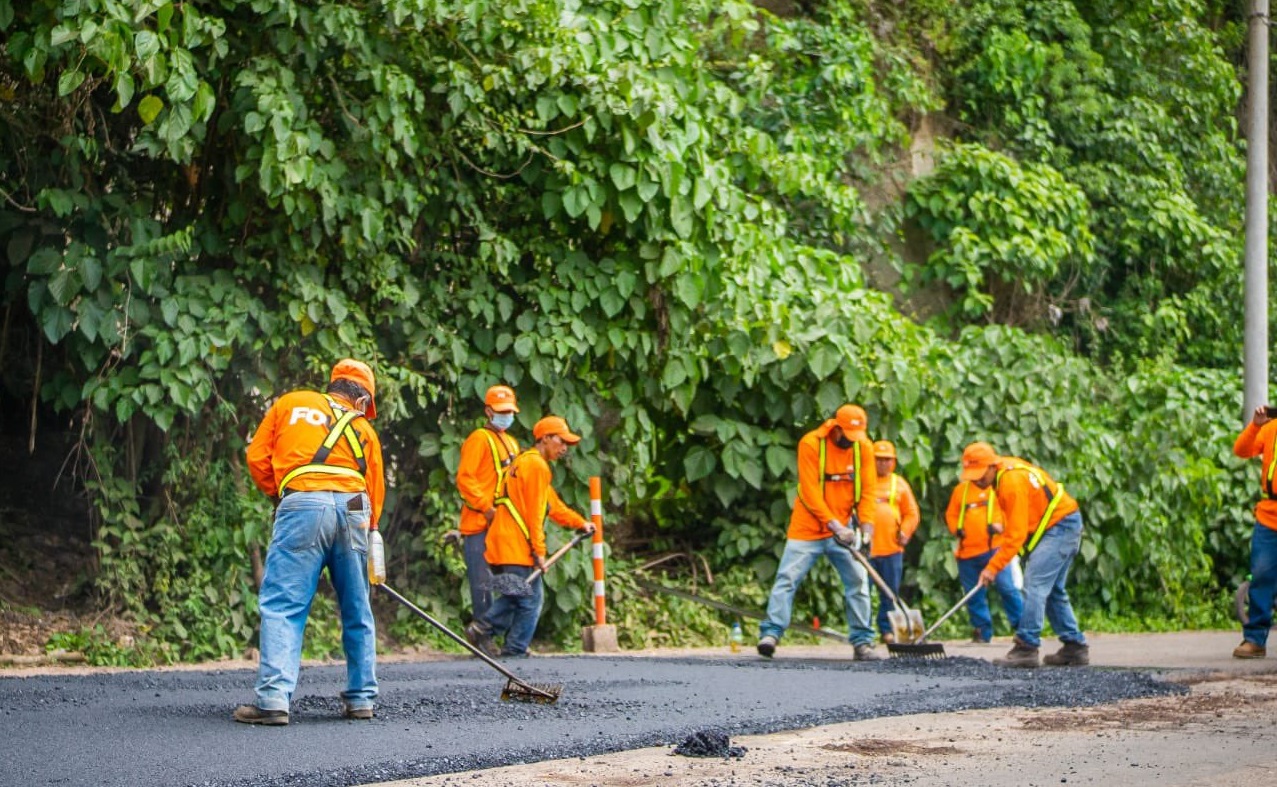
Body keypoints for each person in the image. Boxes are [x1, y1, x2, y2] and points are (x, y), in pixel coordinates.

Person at [235, 359, 386, 725]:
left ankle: (273, 700)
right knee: (357, 606)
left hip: (303, 500)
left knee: (285, 603)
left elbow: (256, 456)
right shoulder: (363, 427)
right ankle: (361, 699)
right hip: (353, 506)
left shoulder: (291, 403)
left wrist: (281, 495)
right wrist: (369, 528)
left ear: (333, 385)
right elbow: (375, 490)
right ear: (363, 399)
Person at [758, 404, 880, 661]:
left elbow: (868, 491)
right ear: (836, 428)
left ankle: (862, 642)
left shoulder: (864, 448)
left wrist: (867, 529)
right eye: (847, 435)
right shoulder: (812, 443)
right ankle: (771, 633)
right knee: (787, 578)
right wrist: (835, 526)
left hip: (845, 530)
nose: (851, 441)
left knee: (858, 582)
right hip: (808, 528)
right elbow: (809, 491)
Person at [465, 416, 594, 658]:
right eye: (561, 441)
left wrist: (580, 523)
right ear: (545, 439)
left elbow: (553, 506)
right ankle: (508, 645)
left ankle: (485, 630)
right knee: (530, 599)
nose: (565, 448)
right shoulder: (536, 467)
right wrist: (540, 551)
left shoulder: (525, 462)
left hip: (503, 540)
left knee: (517, 594)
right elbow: (535, 515)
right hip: (514, 542)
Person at [960, 441, 1087, 668]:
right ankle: (1074, 647)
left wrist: (992, 567)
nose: (977, 480)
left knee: (1034, 582)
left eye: (980, 474)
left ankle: (1026, 647)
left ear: (992, 465)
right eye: (972, 475)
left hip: (1062, 525)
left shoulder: (1010, 484)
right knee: (1053, 589)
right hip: (1061, 524)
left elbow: (1015, 535)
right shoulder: (1005, 473)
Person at [454, 385, 521, 621]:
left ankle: (500, 633)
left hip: (503, 525)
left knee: (511, 581)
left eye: (510, 411)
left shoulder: (511, 442)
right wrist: (487, 508)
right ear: (488, 411)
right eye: (502, 411)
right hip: (479, 524)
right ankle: (483, 636)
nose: (507, 415)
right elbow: (465, 479)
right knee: (482, 585)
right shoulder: (478, 439)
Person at [944, 478, 1023, 643]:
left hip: (995, 549)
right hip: (968, 552)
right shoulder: (960, 491)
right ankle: (982, 631)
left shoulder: (999, 489)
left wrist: (1001, 526)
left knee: (1007, 588)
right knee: (974, 594)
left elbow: (1013, 514)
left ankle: (1024, 630)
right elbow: (951, 514)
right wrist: (956, 529)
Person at [1230, 405, 1277, 659]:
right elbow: (1241, 450)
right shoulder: (1270, 428)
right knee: (1261, 575)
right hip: (1269, 515)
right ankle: (1255, 639)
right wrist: (1256, 424)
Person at [867, 440, 919, 644]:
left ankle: (887, 630)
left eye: (886, 460)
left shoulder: (900, 484)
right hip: (866, 551)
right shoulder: (863, 483)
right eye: (878, 459)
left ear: (894, 462)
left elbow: (912, 513)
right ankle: (864, 632)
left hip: (891, 549)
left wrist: (905, 532)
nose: (882, 464)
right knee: (862, 593)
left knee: (890, 593)